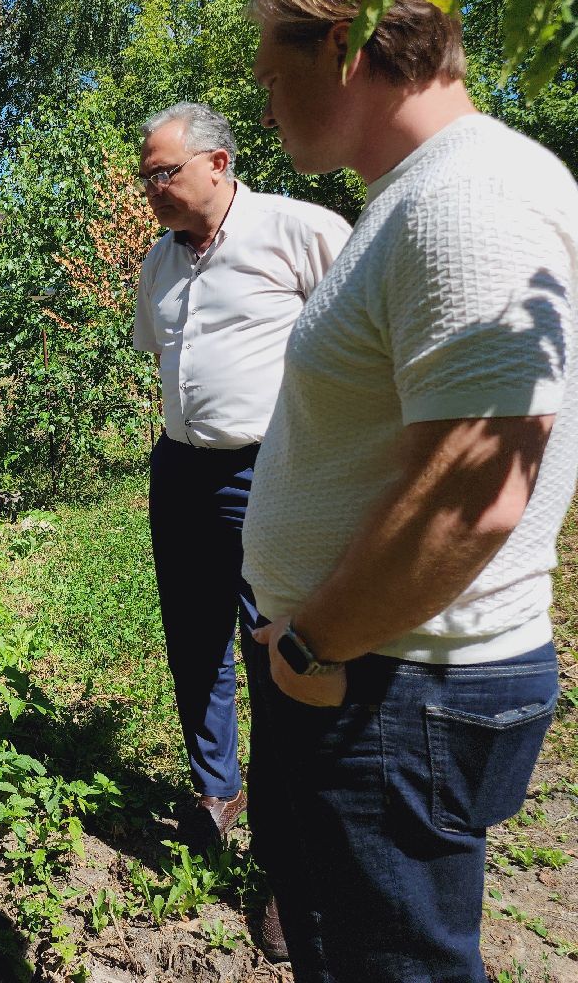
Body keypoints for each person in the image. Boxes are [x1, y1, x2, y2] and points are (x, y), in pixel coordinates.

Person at [243, 0, 578, 981]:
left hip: (388, 691)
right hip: (375, 674)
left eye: (271, 73)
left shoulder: (468, 203)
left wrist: (311, 650)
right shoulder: (424, 197)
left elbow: (476, 490)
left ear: (343, 43)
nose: (265, 103)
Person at [132, 103, 348, 884]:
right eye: (146, 175)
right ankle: (216, 792)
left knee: (276, 650)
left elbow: (363, 346)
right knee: (194, 641)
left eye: (166, 172)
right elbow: (165, 355)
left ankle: (285, 856)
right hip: (182, 471)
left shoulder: (301, 231)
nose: (151, 187)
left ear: (218, 163)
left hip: (273, 472)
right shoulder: (161, 260)